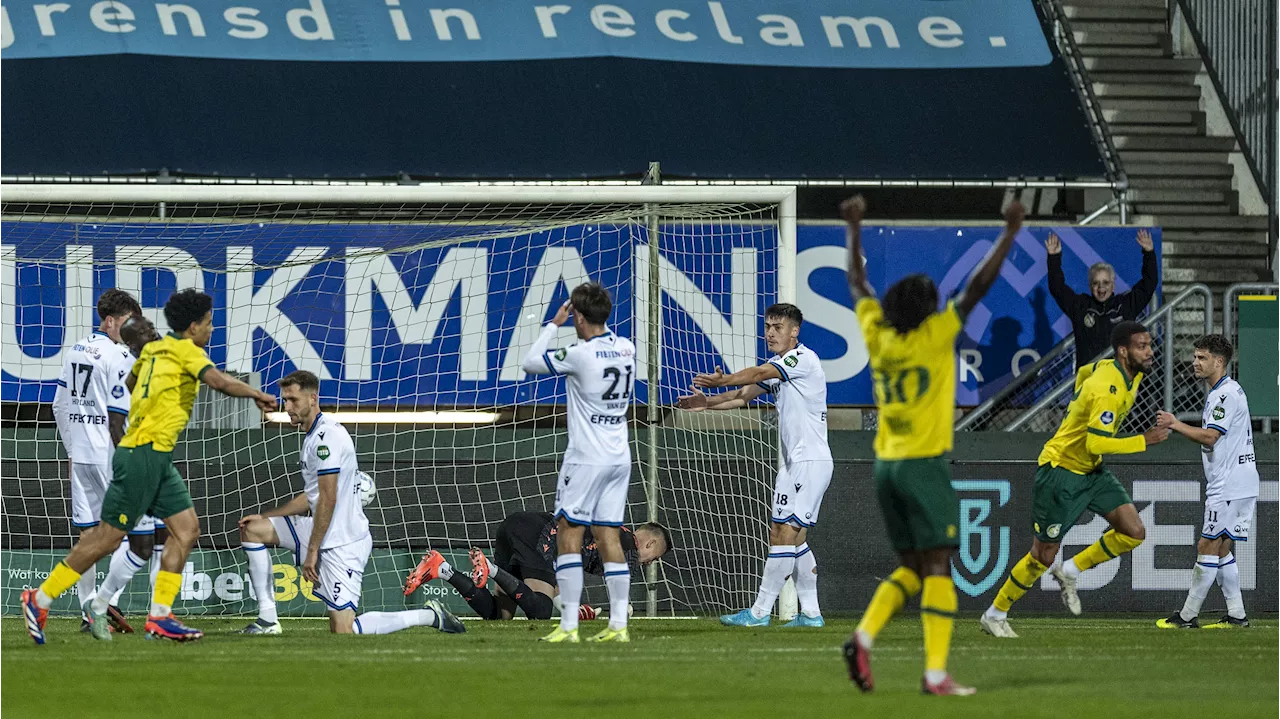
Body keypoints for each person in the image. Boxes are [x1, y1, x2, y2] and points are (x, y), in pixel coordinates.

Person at [21, 288, 276, 644]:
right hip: (141, 455)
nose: (212, 329)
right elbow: (218, 381)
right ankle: (41, 598)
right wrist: (257, 394)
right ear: (192, 326)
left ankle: (159, 617)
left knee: (185, 531)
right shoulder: (185, 350)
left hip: (153, 457)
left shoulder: (152, 351)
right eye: (208, 323)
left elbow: (124, 389)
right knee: (108, 540)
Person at [843, 195, 1024, 696]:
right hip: (923, 465)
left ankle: (863, 636)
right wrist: (1009, 233)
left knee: (911, 568)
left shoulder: (878, 335)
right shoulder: (936, 335)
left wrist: (853, 228)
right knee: (940, 564)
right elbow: (977, 287)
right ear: (928, 310)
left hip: (885, 467)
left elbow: (857, 283)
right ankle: (936, 673)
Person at [237, 370, 465, 636]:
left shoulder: (327, 439)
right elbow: (313, 496)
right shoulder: (312, 436)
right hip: (320, 529)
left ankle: (428, 615)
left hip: (343, 542)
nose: (287, 407)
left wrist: (312, 552)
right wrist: (266, 516)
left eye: (293, 400)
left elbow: (328, 498)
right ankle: (268, 621)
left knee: (343, 630)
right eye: (285, 400)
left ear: (313, 398)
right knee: (253, 530)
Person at [981, 321, 1170, 639]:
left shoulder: (1127, 371)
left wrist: (1077, 400)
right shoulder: (1107, 389)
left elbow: (1085, 370)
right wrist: (1144, 440)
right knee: (1042, 556)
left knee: (1133, 531)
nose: (1150, 352)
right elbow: (1096, 443)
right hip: (1061, 473)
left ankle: (1071, 570)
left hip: (1091, 472)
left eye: (1150, 344)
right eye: (1142, 346)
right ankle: (995, 613)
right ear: (1124, 351)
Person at [675, 303, 832, 628]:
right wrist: (708, 403)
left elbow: (758, 374)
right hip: (794, 463)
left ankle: (759, 613)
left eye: (778, 327)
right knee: (794, 538)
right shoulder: (781, 367)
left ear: (794, 331)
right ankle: (812, 615)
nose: (771, 332)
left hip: (809, 461)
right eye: (768, 326)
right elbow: (743, 396)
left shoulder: (803, 359)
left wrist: (718, 382)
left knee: (783, 533)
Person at [518, 282, 637, 643]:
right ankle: (619, 625)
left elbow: (529, 362)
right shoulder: (627, 347)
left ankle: (568, 625)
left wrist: (554, 323)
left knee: (568, 534)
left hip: (587, 459)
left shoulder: (580, 354)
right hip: (620, 456)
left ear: (580, 318)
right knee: (608, 536)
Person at [50, 290, 165, 635]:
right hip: (111, 456)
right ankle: (107, 603)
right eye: (126, 322)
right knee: (143, 535)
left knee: (90, 536)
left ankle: (89, 615)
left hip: (81, 454)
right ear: (111, 320)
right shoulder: (120, 355)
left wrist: (72, 449)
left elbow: (58, 406)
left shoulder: (75, 351)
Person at [1155, 335, 1256, 629]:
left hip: (1228, 483)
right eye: (1195, 356)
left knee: (1207, 544)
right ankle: (1237, 615)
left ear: (1219, 362)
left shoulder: (1224, 394)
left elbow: (1212, 436)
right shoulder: (1228, 391)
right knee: (1222, 548)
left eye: (1202, 358)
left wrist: (1174, 423)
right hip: (1240, 480)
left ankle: (1187, 616)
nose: (1195, 362)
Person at [403, 511, 671, 621]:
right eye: (655, 556)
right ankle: (491, 569)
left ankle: (443, 569)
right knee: (540, 611)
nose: (650, 562)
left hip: (517, 527)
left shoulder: (615, 536)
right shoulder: (628, 546)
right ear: (649, 545)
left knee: (498, 615)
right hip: (538, 536)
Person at [1046, 228, 1158, 368]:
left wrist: (1149, 253)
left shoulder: (1125, 305)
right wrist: (1054, 257)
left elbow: (1149, 282)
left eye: (1105, 283)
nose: (1101, 288)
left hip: (1118, 379)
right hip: (1089, 381)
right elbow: (1057, 288)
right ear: (1089, 285)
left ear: (1113, 284)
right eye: (1096, 283)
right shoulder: (1080, 306)